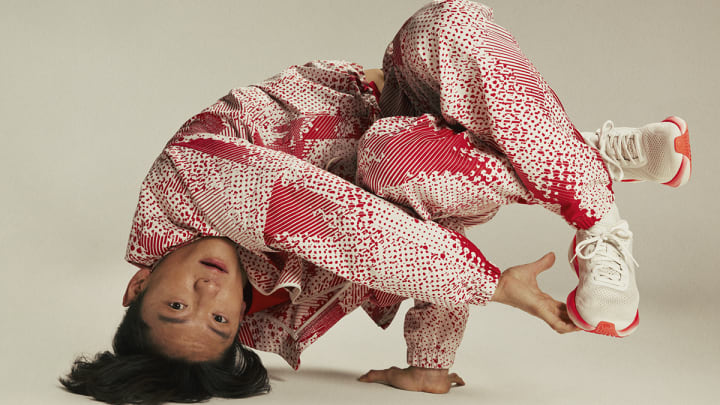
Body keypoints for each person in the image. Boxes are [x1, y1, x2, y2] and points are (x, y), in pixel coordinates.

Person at [60, 0, 691, 403]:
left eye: (175, 304)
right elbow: (409, 235)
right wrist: (430, 365)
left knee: (451, 22)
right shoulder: (275, 306)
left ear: (137, 284)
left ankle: (590, 201)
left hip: (399, 90)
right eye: (220, 322)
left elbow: (339, 226)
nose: (207, 295)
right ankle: (589, 168)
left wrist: (497, 287)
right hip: (416, 161)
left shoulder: (188, 183)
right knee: (391, 159)